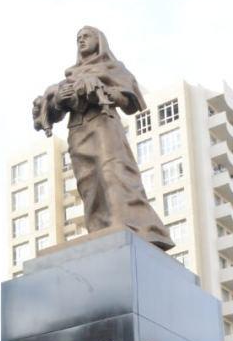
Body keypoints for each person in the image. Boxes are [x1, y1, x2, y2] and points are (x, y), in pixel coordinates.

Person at [32, 26, 173, 250]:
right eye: (78, 38)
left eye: (86, 36)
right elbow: (54, 114)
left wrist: (102, 93)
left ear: (99, 41)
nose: (81, 40)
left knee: (112, 173)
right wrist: (60, 100)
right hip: (78, 132)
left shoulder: (113, 68)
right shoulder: (69, 76)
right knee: (89, 184)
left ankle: (134, 226)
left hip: (104, 127)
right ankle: (99, 230)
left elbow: (130, 103)